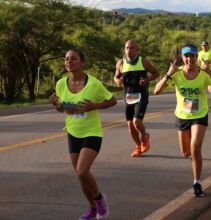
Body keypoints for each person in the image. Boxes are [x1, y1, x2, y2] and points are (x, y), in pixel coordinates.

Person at [49, 48, 117, 220]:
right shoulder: (60, 84)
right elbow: (62, 109)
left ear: (82, 62)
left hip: (92, 132)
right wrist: (56, 104)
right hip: (73, 132)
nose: (69, 62)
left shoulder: (94, 84)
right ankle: (93, 209)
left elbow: (112, 100)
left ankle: (100, 201)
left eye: (73, 59)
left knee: (81, 171)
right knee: (82, 177)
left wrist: (94, 106)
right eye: (66, 59)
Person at [154, 44, 211, 197]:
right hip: (182, 116)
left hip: (199, 115)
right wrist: (168, 74)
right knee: (186, 152)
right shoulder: (177, 73)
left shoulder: (203, 74)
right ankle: (195, 159)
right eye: (186, 56)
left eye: (192, 56)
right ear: (182, 58)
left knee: (195, 148)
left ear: (196, 58)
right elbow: (156, 90)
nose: (189, 59)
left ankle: (197, 182)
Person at [114, 39, 160, 157]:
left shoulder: (143, 61)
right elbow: (116, 77)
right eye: (127, 48)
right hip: (128, 96)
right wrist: (118, 81)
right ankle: (138, 146)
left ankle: (144, 136)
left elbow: (156, 73)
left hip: (141, 96)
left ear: (137, 50)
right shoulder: (121, 63)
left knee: (137, 122)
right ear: (124, 49)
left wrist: (147, 80)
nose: (129, 50)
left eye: (132, 48)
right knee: (130, 125)